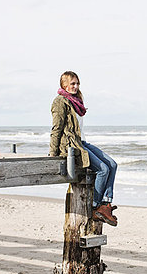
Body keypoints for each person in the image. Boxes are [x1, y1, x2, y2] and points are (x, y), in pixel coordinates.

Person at [49, 71, 118, 226]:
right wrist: (53, 154)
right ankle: (96, 207)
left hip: (82, 142)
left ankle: (106, 204)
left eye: (77, 83)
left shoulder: (77, 101)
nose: (76, 86)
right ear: (64, 85)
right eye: (72, 83)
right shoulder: (60, 102)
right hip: (72, 145)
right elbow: (57, 128)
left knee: (112, 165)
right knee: (103, 170)